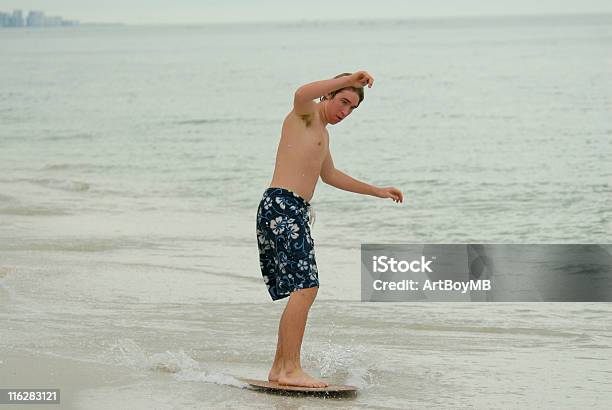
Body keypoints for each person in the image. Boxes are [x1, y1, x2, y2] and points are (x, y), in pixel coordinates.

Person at [255, 71, 404, 387]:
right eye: (343, 102)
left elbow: (331, 175)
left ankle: (280, 369)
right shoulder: (305, 116)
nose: (345, 112)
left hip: (294, 210)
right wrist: (349, 77)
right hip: (282, 206)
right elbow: (300, 92)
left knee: (303, 287)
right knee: (306, 287)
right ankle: (290, 369)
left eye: (352, 108)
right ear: (330, 95)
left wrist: (377, 190)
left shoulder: (322, 132)